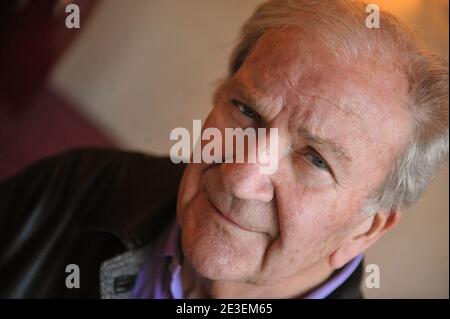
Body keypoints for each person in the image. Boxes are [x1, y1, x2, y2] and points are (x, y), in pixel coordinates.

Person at [0, 0, 448, 299]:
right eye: (247, 111)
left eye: (314, 158)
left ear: (366, 229)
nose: (240, 176)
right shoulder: (75, 189)